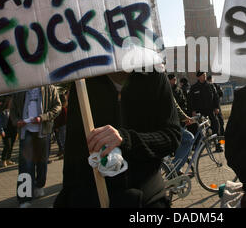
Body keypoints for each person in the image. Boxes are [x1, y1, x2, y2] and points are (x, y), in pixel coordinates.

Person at [54, 70, 181, 208]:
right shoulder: (82, 82)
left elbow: (172, 137)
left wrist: (126, 139)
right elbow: (73, 152)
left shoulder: (154, 75)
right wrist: (66, 197)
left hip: (148, 196)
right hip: (95, 195)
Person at [10, 85, 62, 208]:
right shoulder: (20, 89)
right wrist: (16, 121)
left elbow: (57, 107)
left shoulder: (50, 88)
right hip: (25, 131)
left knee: (42, 162)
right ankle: (24, 198)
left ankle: (39, 185)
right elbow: (13, 110)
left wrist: (42, 117)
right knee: (25, 165)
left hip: (43, 131)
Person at [187, 71, 222, 151]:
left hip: (210, 111)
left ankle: (219, 145)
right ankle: (199, 148)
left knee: (217, 126)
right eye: (203, 75)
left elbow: (216, 97)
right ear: (198, 77)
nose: (204, 76)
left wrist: (216, 107)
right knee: (199, 131)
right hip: (200, 113)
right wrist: (193, 110)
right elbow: (190, 101)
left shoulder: (210, 86)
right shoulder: (194, 88)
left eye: (205, 75)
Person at [0, 98, 16, 167]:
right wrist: (2, 131)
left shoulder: (14, 111)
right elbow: (0, 123)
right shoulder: (4, 112)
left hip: (13, 130)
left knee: (11, 145)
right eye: (11, 102)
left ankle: (8, 159)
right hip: (6, 131)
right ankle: (3, 160)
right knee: (7, 145)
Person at [53, 93, 68, 159]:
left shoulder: (62, 109)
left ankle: (64, 153)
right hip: (61, 126)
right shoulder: (63, 108)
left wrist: (57, 126)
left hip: (62, 126)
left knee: (63, 140)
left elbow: (60, 119)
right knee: (62, 140)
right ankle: (62, 152)